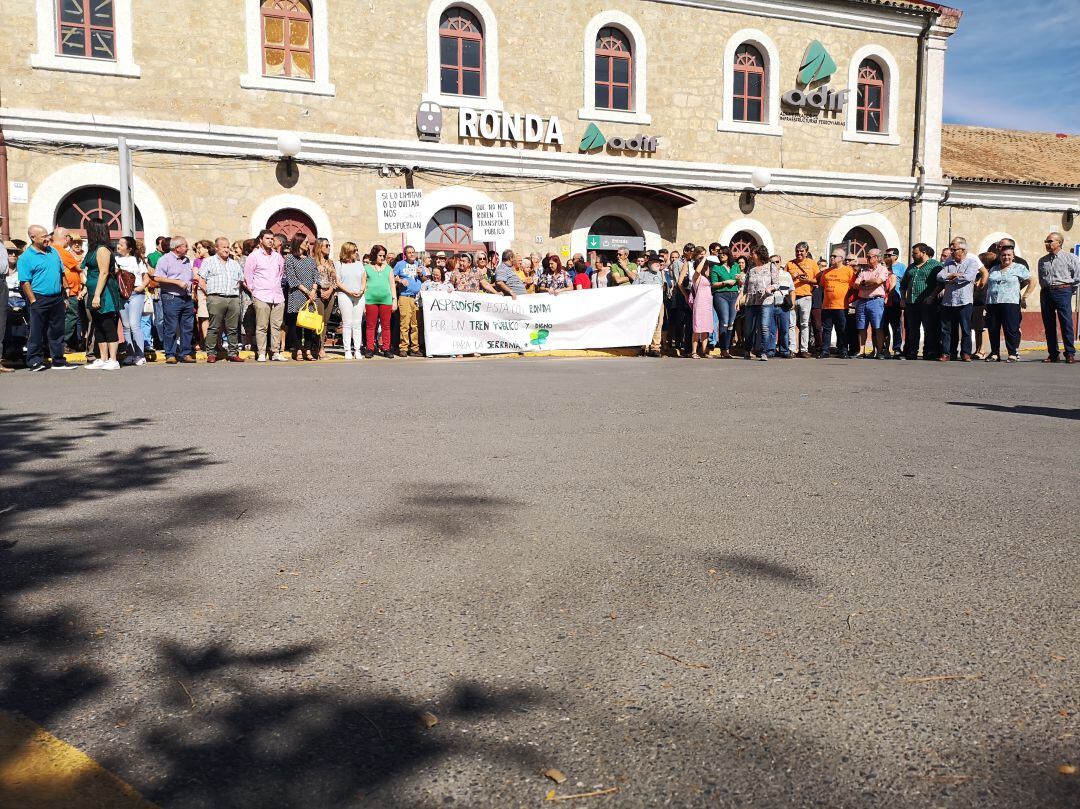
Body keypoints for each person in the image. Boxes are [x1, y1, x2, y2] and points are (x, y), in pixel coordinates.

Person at [16, 224, 77, 371]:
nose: (47, 238)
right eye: (43, 237)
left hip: (57, 297)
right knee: (36, 331)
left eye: (47, 235)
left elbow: (61, 273)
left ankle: (58, 361)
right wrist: (32, 300)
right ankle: (34, 361)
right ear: (32, 238)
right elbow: (25, 282)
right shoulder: (26, 258)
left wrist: (65, 293)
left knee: (57, 331)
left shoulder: (53, 252)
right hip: (38, 297)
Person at [1033, 232, 1080, 363]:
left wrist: (1069, 290)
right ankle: (1053, 354)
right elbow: (1042, 279)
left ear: (1059, 243)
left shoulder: (1071, 258)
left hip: (1063, 291)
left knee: (1066, 323)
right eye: (1046, 242)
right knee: (1049, 324)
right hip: (1047, 292)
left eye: (1050, 241)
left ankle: (1070, 353)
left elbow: (1077, 276)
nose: (1047, 244)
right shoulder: (1042, 260)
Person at [82, 219, 122, 370]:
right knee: (98, 325)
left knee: (107, 324)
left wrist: (97, 295)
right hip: (93, 291)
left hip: (104, 293)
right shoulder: (93, 249)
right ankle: (103, 358)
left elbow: (104, 273)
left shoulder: (102, 250)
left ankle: (113, 359)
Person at [198, 237, 245, 363]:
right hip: (216, 297)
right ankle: (211, 353)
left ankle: (233, 353)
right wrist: (210, 295)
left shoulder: (234, 264)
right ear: (217, 248)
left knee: (233, 328)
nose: (226, 249)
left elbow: (241, 281)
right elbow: (201, 281)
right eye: (223, 247)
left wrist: (237, 291)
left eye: (228, 247)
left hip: (233, 298)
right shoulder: (208, 262)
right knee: (214, 327)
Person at [936, 236, 983, 362]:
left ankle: (966, 353)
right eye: (951, 249)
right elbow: (940, 276)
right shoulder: (948, 262)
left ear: (963, 250)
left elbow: (967, 278)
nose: (951, 252)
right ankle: (947, 353)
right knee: (947, 329)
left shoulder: (971, 262)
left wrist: (953, 279)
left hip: (964, 300)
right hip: (948, 301)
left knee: (965, 328)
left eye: (954, 249)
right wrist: (952, 275)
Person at [244, 229, 286, 363]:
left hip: (277, 296)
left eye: (272, 238)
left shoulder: (278, 257)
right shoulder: (254, 256)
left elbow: (280, 274)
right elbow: (248, 276)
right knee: (262, 326)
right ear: (261, 240)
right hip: (261, 295)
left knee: (276, 326)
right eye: (267, 238)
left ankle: (275, 352)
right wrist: (254, 291)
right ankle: (261, 352)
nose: (270, 241)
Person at [153, 236, 196, 364]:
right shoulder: (164, 260)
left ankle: (185, 353)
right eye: (185, 246)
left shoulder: (187, 260)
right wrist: (176, 282)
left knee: (187, 327)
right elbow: (157, 277)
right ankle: (170, 354)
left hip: (187, 297)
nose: (187, 248)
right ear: (177, 248)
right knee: (171, 326)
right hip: (171, 297)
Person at [985, 245, 1031, 363]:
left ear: (1013, 256)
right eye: (1003, 255)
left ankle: (1012, 353)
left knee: (1011, 329)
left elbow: (1031, 281)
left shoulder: (1019, 268)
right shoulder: (994, 269)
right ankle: (995, 353)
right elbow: (988, 285)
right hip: (993, 302)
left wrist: (1024, 295)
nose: (1006, 257)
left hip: (1010, 302)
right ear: (1000, 256)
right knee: (993, 328)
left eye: (1009, 255)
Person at [900, 243, 941, 360]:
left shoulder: (935, 266)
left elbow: (940, 283)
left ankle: (929, 352)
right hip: (911, 302)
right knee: (912, 329)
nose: (913, 255)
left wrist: (932, 296)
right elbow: (903, 285)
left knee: (929, 329)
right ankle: (912, 351)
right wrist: (903, 298)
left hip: (927, 302)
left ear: (924, 253)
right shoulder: (911, 267)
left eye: (915, 253)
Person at [115, 236, 150, 366]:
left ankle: (140, 355)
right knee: (126, 326)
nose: (118, 246)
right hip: (121, 295)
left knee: (135, 325)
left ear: (129, 248)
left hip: (136, 294)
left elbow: (146, 278)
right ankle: (130, 354)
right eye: (118, 243)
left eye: (122, 244)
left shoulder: (137, 260)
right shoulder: (115, 259)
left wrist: (140, 288)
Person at [284, 235, 320, 361]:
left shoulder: (311, 259)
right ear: (298, 243)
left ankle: (308, 350)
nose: (308, 244)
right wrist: (307, 291)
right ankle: (299, 349)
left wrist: (313, 291)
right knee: (296, 324)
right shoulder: (290, 259)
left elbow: (316, 276)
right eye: (306, 242)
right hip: (297, 294)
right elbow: (292, 278)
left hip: (311, 296)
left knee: (309, 324)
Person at [741, 245, 779, 361]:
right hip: (751, 302)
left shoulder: (771, 267)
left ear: (759, 254)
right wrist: (740, 299)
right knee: (748, 328)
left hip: (766, 301)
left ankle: (763, 352)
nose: (751, 255)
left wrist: (770, 288)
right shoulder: (751, 269)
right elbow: (745, 287)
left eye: (753, 253)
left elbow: (777, 284)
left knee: (764, 327)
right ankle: (747, 350)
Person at [361, 244, 397, 359]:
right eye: (380, 255)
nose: (382, 258)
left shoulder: (388, 269)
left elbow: (392, 286)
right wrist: (363, 303)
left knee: (386, 326)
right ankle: (370, 348)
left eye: (384, 256)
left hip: (386, 301)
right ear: (374, 255)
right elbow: (363, 286)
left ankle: (386, 349)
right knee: (370, 325)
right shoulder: (366, 268)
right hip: (370, 300)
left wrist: (394, 301)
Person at [818, 248, 854, 359]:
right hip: (827, 306)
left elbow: (853, 286)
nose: (832, 258)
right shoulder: (826, 271)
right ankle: (825, 350)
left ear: (842, 259)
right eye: (831, 256)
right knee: (827, 329)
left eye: (834, 256)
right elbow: (822, 286)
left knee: (841, 329)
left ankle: (843, 350)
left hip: (841, 306)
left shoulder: (848, 271)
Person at [853, 249, 889, 359]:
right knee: (861, 327)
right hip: (862, 300)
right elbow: (856, 284)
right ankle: (861, 350)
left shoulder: (883, 269)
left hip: (876, 301)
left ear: (877, 258)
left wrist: (864, 283)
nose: (867, 259)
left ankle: (879, 351)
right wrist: (869, 283)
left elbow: (878, 281)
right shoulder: (863, 271)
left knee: (878, 327)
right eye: (867, 257)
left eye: (869, 257)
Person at [786, 242, 818, 358]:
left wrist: (807, 280)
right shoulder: (790, 264)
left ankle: (804, 349)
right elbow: (784, 279)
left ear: (806, 252)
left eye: (801, 251)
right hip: (793, 297)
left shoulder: (813, 264)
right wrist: (792, 277)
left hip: (806, 297)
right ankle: (792, 349)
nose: (799, 253)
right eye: (797, 251)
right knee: (791, 324)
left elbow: (817, 281)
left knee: (804, 324)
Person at [393, 245, 425, 357]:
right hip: (405, 297)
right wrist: (400, 280)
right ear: (405, 255)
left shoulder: (419, 265)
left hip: (416, 298)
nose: (412, 254)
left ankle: (415, 348)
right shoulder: (400, 264)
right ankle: (403, 347)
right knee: (404, 324)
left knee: (415, 325)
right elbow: (392, 276)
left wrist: (421, 274)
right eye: (409, 252)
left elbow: (425, 279)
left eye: (413, 252)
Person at [335, 241, 366, 360]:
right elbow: (338, 281)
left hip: (359, 295)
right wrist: (349, 291)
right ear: (347, 251)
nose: (356, 252)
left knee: (357, 323)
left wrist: (362, 290)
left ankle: (357, 349)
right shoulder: (339, 264)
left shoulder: (359, 264)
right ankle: (347, 349)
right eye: (354, 250)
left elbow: (364, 279)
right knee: (347, 323)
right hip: (345, 295)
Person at [681, 248, 713, 358]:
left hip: (707, 306)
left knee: (706, 329)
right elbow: (697, 271)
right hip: (699, 305)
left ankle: (704, 351)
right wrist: (704, 258)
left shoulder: (707, 278)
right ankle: (694, 351)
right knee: (697, 328)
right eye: (707, 267)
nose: (708, 268)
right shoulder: (697, 277)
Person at [634, 254, 665, 356]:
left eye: (658, 262)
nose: (658, 264)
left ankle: (655, 348)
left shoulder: (661, 274)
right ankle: (644, 346)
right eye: (655, 262)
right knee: (645, 324)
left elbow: (666, 287)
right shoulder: (642, 275)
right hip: (646, 303)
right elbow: (634, 288)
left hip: (658, 303)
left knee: (658, 324)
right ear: (650, 263)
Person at [314, 237, 337, 358]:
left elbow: (334, 279)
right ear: (319, 247)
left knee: (325, 323)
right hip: (318, 295)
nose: (328, 247)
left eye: (329, 245)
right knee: (317, 322)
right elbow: (311, 279)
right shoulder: (313, 262)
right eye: (326, 245)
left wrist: (330, 290)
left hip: (330, 293)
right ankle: (317, 348)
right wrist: (319, 290)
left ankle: (322, 347)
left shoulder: (331, 262)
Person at [192, 239, 214, 349]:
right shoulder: (197, 261)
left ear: (207, 248)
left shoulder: (215, 260)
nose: (198, 250)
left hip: (215, 290)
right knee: (204, 317)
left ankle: (216, 343)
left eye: (200, 247)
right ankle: (205, 342)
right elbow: (196, 276)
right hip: (202, 290)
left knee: (215, 318)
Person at [770, 260, 795, 358]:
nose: (775, 264)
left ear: (780, 263)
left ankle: (784, 350)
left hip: (783, 306)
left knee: (784, 330)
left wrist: (792, 303)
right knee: (772, 330)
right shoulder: (767, 275)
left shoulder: (787, 275)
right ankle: (771, 350)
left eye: (777, 261)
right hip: (771, 305)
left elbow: (792, 290)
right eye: (772, 262)